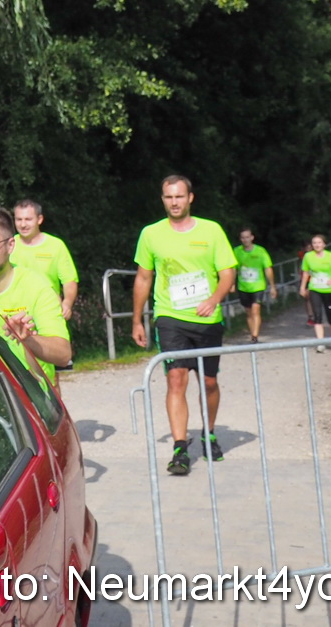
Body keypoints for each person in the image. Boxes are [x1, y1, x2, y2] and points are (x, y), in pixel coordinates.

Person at [131, 174, 237, 477]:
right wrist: (137, 319)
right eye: (169, 197)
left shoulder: (211, 230)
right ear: (163, 200)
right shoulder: (151, 234)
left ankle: (209, 433)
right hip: (170, 316)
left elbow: (228, 272)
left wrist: (214, 299)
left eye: (179, 196)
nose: (174, 202)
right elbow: (143, 278)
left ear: (190, 198)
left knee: (209, 382)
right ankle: (180, 447)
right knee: (176, 380)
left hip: (206, 319)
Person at [0, 204, 72, 388]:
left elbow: (63, 355)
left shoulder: (37, 287)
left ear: (10, 245)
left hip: (31, 397)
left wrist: (28, 339)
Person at [11, 199, 79, 321]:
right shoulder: (8, 246)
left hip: (49, 311)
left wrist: (67, 303)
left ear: (39, 219)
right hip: (16, 315)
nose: (23, 224)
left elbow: (69, 280)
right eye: (19, 219)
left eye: (28, 219)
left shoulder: (56, 246)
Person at [232, 227, 276, 343]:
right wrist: (232, 284)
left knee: (256, 310)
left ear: (252, 238)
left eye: (247, 237)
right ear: (240, 239)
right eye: (243, 238)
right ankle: (252, 334)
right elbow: (234, 269)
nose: (245, 240)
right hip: (244, 286)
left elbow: (268, 268)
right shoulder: (237, 251)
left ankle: (255, 336)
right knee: (249, 312)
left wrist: (272, 286)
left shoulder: (260, 251)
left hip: (258, 286)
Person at [301, 233, 331, 349]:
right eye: (314, 243)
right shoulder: (308, 256)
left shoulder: (330, 256)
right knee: (317, 315)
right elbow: (305, 273)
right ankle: (320, 342)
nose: (317, 245)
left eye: (319, 243)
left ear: (324, 244)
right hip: (315, 289)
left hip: (328, 290)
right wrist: (302, 287)